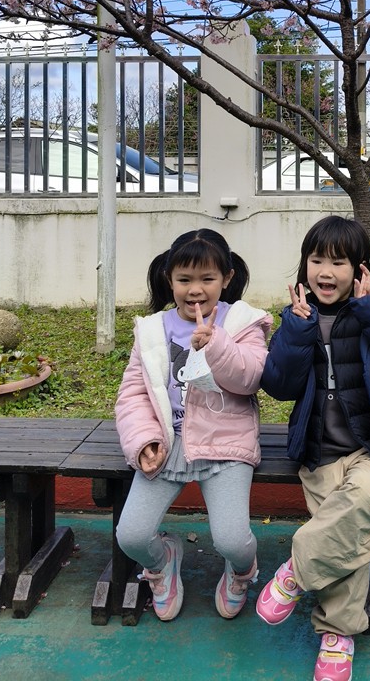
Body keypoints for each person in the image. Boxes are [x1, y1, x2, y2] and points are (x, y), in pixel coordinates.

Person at [255, 215, 370, 681]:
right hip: (319, 450)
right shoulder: (297, 319)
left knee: (354, 504)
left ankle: (296, 574)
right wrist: (296, 331)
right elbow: (279, 386)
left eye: (339, 262)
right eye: (317, 261)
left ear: (360, 269)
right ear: (304, 266)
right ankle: (338, 635)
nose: (326, 272)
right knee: (349, 529)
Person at [115, 229, 272, 622]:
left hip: (226, 445)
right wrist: (144, 440)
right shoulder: (153, 329)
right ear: (169, 279)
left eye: (207, 279)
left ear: (227, 278)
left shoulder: (243, 322)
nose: (195, 290)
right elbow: (133, 394)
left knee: (233, 542)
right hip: (168, 446)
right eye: (184, 279)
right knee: (131, 536)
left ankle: (241, 573)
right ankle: (163, 561)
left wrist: (216, 344)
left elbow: (251, 378)